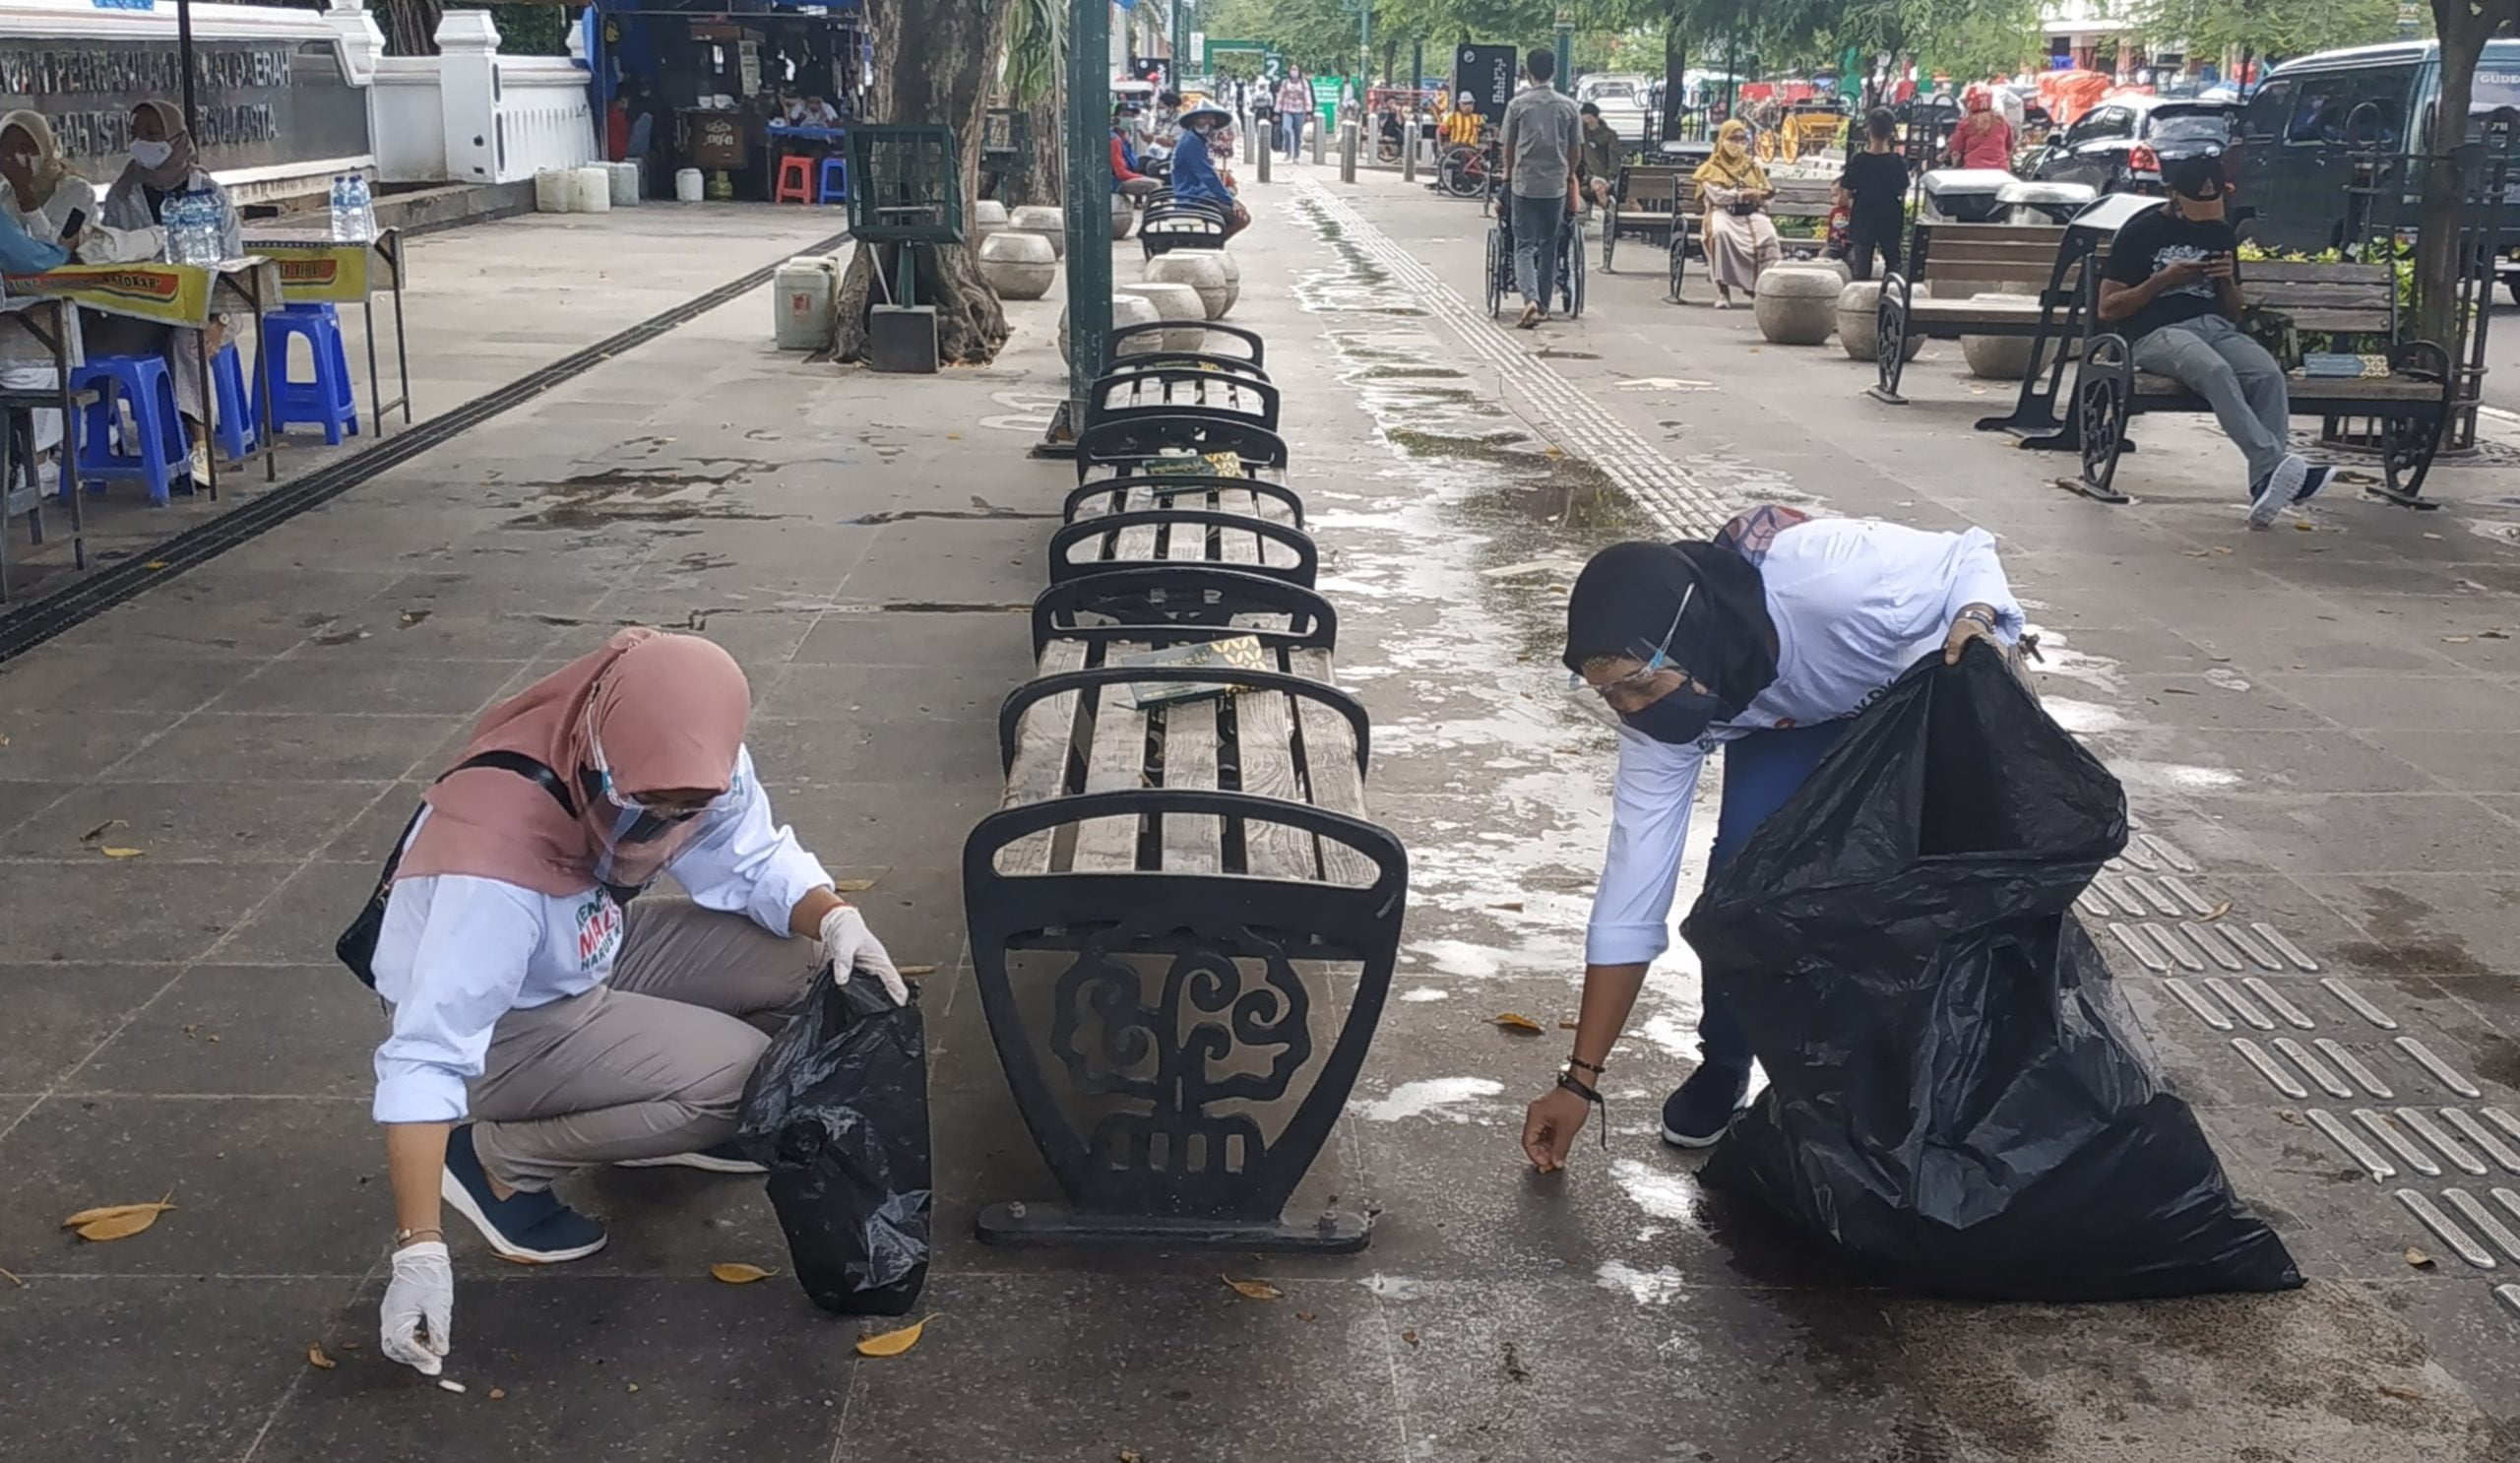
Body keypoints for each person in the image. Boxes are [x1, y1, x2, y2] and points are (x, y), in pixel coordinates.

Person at [364, 629, 906, 1378]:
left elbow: (748, 857)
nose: (668, 822)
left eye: (689, 805)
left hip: (587, 941)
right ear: (604, 758)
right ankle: (496, 1164)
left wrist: (836, 916)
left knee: (809, 962)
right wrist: (417, 1248)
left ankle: (662, 1108)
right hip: (508, 1030)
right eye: (652, 804)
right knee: (748, 1080)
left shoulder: (676, 741)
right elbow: (426, 1055)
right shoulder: (493, 862)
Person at [1519, 508, 2025, 1168]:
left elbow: (1970, 549)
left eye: (1641, 684)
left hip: (1916, 689)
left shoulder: (1839, 583)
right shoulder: (1660, 720)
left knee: (1924, 891)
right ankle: (1727, 1061)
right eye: (1611, 696)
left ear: (1692, 634)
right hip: (1794, 716)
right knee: (1744, 880)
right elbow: (1631, 896)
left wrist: (1977, 619)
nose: (1634, 709)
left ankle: (1935, 1078)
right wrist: (1579, 1081)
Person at [2099, 152, 2332, 527]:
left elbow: (2235, 311)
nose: (2206, 214)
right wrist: (2162, 281)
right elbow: (2108, 309)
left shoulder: (2219, 232)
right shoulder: (2140, 232)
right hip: (2154, 333)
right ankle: (2277, 469)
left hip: (2214, 325)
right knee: (2213, 369)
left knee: (2267, 374)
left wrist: (2224, 280)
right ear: (2173, 194)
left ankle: (2266, 482)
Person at [96, 100, 240, 486]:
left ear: (177, 139)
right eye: (139, 132)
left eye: (154, 133)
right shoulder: (122, 194)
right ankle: (86, 441)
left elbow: (233, 267)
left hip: (209, 311)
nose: (145, 141)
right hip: (144, 310)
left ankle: (199, 446)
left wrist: (219, 322)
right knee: (94, 342)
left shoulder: (209, 193)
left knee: (188, 338)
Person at [1499, 48, 1582, 330]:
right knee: (1549, 246)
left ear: (1527, 72)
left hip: (1524, 183)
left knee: (1523, 246)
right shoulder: (1569, 107)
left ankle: (1530, 299)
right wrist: (1569, 174)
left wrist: (1508, 175)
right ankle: (1544, 307)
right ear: (1554, 72)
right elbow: (1575, 150)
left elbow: (1508, 147)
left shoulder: (1517, 106)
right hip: (1555, 186)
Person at [1691, 119, 1781, 307]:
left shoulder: (1752, 167)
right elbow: (1718, 196)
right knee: (1719, 234)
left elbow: (1766, 193)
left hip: (1751, 214)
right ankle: (1723, 292)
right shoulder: (1711, 168)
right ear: (1722, 139)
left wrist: (1764, 196)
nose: (1737, 144)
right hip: (1723, 212)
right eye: (1733, 138)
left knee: (1769, 235)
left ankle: (1761, 289)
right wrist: (1743, 195)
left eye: (1742, 139)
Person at [1835, 108, 1909, 282]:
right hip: (1890, 214)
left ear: (1868, 130)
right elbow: (1903, 189)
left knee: (1862, 263)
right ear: (1890, 132)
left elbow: (1845, 192)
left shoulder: (1858, 160)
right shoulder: (1896, 161)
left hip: (1863, 214)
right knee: (1893, 262)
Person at [1170, 101, 1250, 240]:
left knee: (1232, 195)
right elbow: (1208, 176)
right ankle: (1213, 244)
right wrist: (1230, 201)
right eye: (1204, 118)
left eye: (1211, 118)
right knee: (1241, 218)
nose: (1209, 122)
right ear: (1194, 121)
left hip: (1198, 192)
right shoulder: (1192, 142)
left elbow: (1207, 170)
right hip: (1192, 196)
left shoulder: (1198, 140)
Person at [1945, 86, 2013, 169]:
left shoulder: (1966, 123)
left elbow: (1956, 149)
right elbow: (2009, 145)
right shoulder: (2002, 121)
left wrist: (1954, 163)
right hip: (2000, 170)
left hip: (1973, 170)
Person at [1577, 101, 1622, 221]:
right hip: (1588, 176)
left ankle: (1612, 219)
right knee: (1598, 187)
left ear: (1590, 117)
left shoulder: (1609, 135)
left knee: (1600, 189)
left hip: (1604, 176)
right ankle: (1612, 218)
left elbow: (1614, 158)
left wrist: (1611, 178)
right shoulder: (1581, 133)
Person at [1110, 105, 1162, 199]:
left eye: (1131, 116)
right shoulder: (1115, 140)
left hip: (1123, 177)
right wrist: (1142, 177)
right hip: (1116, 182)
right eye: (1125, 115)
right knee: (1154, 185)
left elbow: (1133, 162)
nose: (1129, 119)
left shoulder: (1124, 138)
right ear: (1116, 118)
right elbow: (1120, 173)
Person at [1278, 71, 1312, 159]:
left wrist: (1309, 111)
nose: (1294, 72)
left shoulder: (1304, 83)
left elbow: (1307, 97)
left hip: (1300, 111)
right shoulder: (1285, 83)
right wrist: (1277, 111)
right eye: (1292, 69)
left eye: (1296, 69)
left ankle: (1296, 155)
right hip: (1287, 110)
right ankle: (1288, 151)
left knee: (1298, 133)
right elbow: (1280, 96)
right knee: (1286, 129)